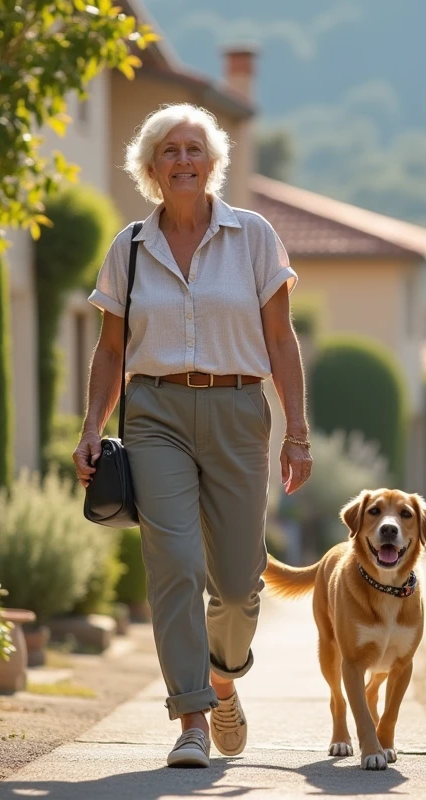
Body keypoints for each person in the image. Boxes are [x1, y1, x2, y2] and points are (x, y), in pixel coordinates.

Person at [73, 103, 313, 768]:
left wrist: (298, 433)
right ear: (151, 169)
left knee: (238, 586)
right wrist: (92, 427)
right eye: (169, 151)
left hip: (239, 411)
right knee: (173, 564)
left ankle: (223, 677)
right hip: (156, 416)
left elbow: (279, 339)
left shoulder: (256, 237)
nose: (182, 160)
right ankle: (191, 720)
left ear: (213, 164)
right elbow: (111, 349)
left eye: (193, 149)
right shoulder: (128, 248)